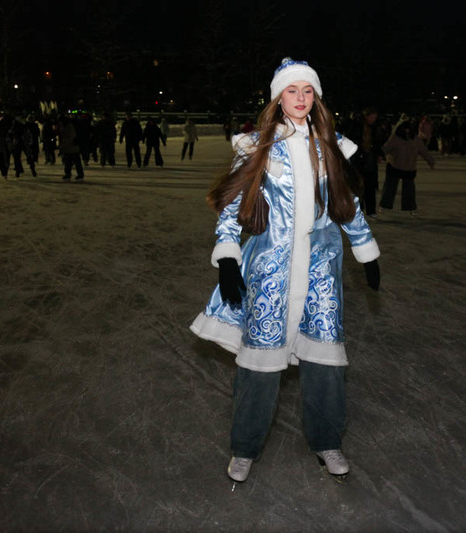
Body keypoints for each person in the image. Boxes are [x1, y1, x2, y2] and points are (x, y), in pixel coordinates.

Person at [190, 58, 380, 484]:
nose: (300, 98)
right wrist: (227, 257)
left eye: (308, 91)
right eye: (292, 91)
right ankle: (244, 447)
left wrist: (366, 250)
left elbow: (346, 203)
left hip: (321, 271)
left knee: (325, 360)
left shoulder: (329, 146)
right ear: (278, 98)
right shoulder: (259, 146)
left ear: (316, 98)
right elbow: (232, 205)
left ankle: (327, 441)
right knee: (259, 362)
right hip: (271, 271)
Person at [379, 119, 435, 217]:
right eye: (405, 129)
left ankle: (410, 207)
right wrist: (379, 156)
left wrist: (431, 161)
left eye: (408, 129)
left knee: (409, 190)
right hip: (394, 166)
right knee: (389, 188)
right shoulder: (395, 138)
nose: (407, 131)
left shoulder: (416, 140)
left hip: (409, 168)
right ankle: (384, 205)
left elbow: (424, 151)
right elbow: (386, 148)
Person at [345, 107, 385, 218]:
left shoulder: (374, 128)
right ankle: (359, 209)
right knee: (358, 186)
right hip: (358, 161)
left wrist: (379, 154)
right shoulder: (356, 126)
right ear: (366, 116)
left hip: (370, 161)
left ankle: (371, 210)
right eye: (371, 117)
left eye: (375, 118)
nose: (373, 120)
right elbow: (350, 140)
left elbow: (377, 144)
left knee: (370, 186)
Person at [58, 115, 84, 181]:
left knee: (76, 162)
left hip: (72, 147)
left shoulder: (69, 127)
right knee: (68, 163)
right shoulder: (64, 127)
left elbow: (71, 137)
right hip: (68, 148)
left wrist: (63, 145)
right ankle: (68, 174)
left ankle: (79, 175)